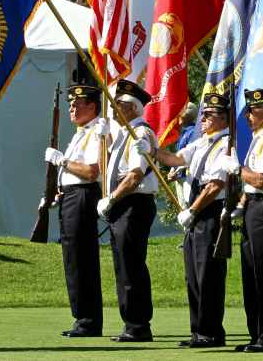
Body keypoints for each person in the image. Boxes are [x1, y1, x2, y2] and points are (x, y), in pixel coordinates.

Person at [147, 93, 231, 348]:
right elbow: (176, 159)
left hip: (208, 212)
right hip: (195, 214)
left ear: (224, 119)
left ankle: (212, 332)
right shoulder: (203, 142)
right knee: (193, 276)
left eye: (208, 115)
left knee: (208, 276)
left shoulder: (226, 144)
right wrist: (151, 150)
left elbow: (216, 185)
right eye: (203, 114)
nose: (202, 118)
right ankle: (198, 330)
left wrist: (192, 211)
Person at [218, 89, 263, 353]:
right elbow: (253, 187)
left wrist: (237, 169)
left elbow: (261, 180)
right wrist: (239, 205)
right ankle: (257, 335)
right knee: (251, 274)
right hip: (254, 206)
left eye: (253, 110)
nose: (247, 115)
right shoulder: (258, 139)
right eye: (248, 110)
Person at [44, 84, 106, 338]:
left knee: (82, 260)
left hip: (82, 198)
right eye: (69, 104)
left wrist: (61, 160)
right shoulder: (82, 133)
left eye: (76, 104)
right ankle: (83, 318)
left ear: (91, 107)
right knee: (73, 259)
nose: (71, 108)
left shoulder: (95, 133)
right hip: (71, 199)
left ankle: (88, 321)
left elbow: (92, 172)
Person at [98, 79, 158, 343]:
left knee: (131, 266)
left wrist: (110, 199)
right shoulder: (124, 134)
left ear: (132, 108)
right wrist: (103, 139)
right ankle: (131, 324)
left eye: (118, 104)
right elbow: (108, 169)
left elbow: (135, 176)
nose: (113, 109)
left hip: (133, 205)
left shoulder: (140, 134)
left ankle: (138, 326)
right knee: (123, 267)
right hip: (122, 207)